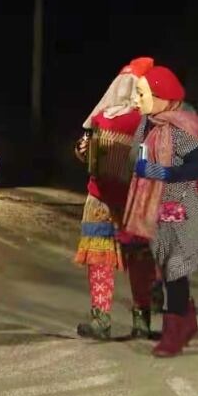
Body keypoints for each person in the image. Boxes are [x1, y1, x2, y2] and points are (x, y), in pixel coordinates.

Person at [123, 65, 198, 357]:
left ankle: (173, 334)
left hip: (184, 205)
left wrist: (158, 171)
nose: (136, 100)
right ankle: (186, 321)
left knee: (174, 269)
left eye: (142, 94)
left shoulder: (178, 128)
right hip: (157, 205)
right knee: (166, 268)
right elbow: (134, 158)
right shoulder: (149, 123)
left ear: (161, 95)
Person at [72, 57, 158, 340]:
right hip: (137, 202)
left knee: (99, 256)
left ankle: (101, 319)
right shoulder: (150, 123)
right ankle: (142, 321)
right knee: (141, 258)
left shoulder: (100, 119)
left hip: (100, 198)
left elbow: (84, 154)